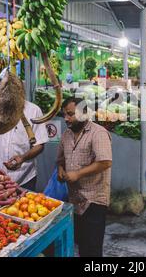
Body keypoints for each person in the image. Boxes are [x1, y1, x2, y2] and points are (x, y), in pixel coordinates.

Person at [57, 97, 112, 257]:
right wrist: (60, 169)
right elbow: (60, 159)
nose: (66, 118)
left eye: (70, 114)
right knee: (81, 244)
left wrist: (78, 174)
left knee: (92, 249)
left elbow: (105, 162)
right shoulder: (67, 135)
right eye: (64, 114)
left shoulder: (98, 133)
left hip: (94, 200)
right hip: (75, 200)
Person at [0, 74, 49, 192]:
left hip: (24, 178)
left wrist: (22, 158)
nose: (7, 94)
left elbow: (40, 144)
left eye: (12, 90)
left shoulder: (33, 110)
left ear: (20, 91)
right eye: (3, 89)